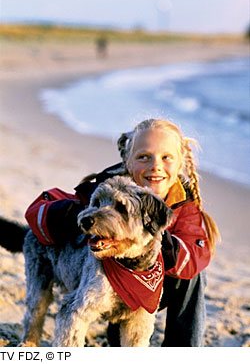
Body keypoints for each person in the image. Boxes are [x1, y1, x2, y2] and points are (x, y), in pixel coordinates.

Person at [25, 118, 220, 347]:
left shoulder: (185, 206)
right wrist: (76, 214)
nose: (155, 165)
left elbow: (195, 254)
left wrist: (150, 235)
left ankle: (184, 349)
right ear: (128, 161)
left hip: (151, 278)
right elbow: (38, 212)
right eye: (143, 157)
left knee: (194, 276)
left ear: (180, 165)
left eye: (166, 157)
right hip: (101, 272)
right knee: (39, 305)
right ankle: (30, 339)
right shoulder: (104, 190)